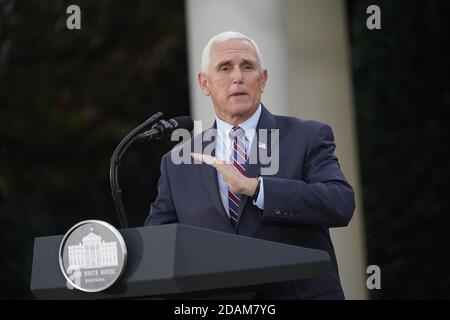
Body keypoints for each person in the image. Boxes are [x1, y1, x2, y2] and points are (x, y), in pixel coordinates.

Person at [144, 31, 355, 300]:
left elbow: (340, 203)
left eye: (247, 66)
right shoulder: (177, 162)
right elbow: (158, 245)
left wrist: (257, 188)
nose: (238, 77)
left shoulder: (306, 137)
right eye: (225, 68)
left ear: (263, 79)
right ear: (204, 83)